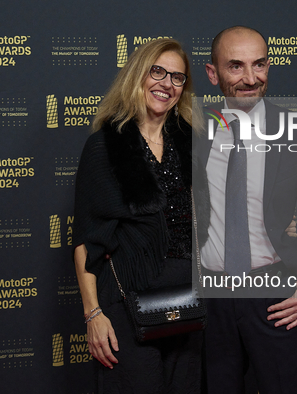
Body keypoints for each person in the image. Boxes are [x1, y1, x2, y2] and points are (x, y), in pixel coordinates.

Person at [195, 26, 297, 393]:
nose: (250, 79)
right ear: (213, 73)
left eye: (259, 65)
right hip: (210, 300)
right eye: (236, 67)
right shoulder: (192, 130)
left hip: (275, 295)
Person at [72, 38, 206, 394]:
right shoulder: (105, 145)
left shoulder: (192, 144)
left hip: (187, 304)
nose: (167, 84)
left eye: (178, 77)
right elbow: (87, 240)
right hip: (127, 305)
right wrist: (93, 314)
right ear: (138, 75)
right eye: (158, 71)